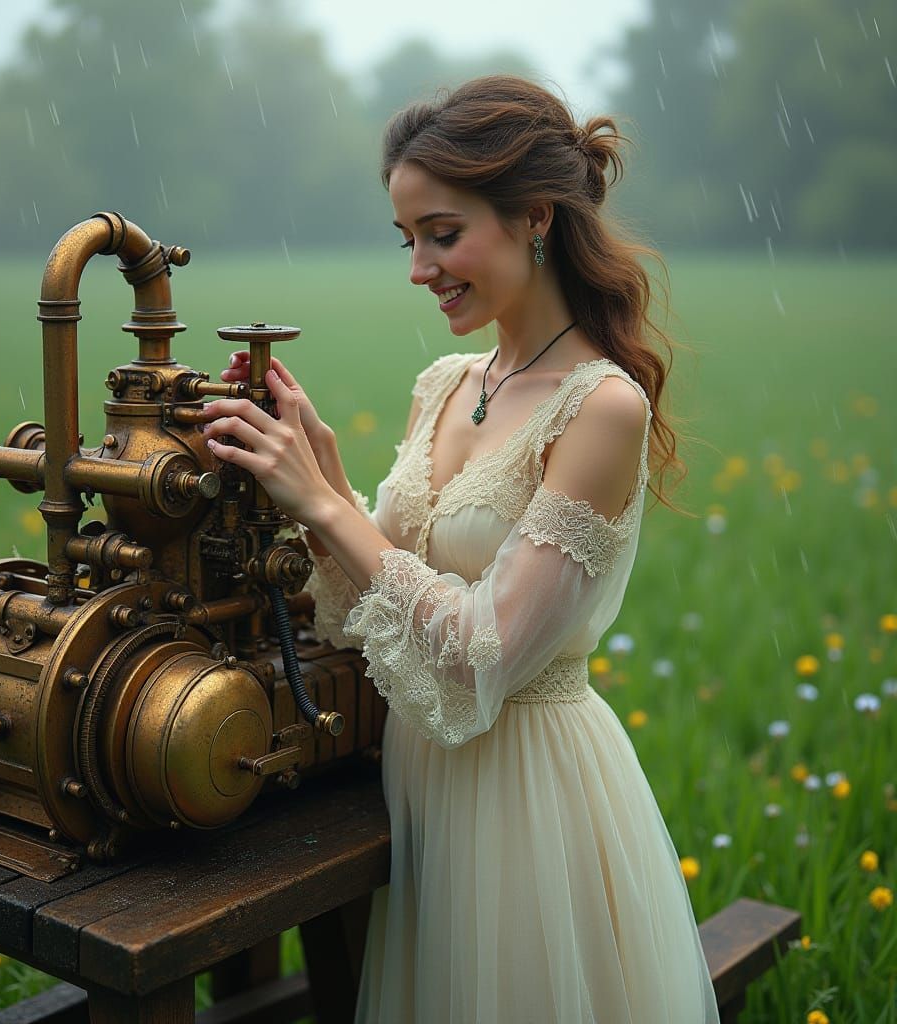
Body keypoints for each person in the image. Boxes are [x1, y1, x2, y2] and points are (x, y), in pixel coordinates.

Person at [201, 75, 719, 1023]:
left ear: (534, 217)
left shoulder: (601, 406)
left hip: (530, 797)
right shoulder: (443, 383)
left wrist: (322, 501)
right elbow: (373, 595)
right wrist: (317, 467)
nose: (419, 266)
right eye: (408, 239)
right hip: (422, 787)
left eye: (443, 233)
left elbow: (480, 658)